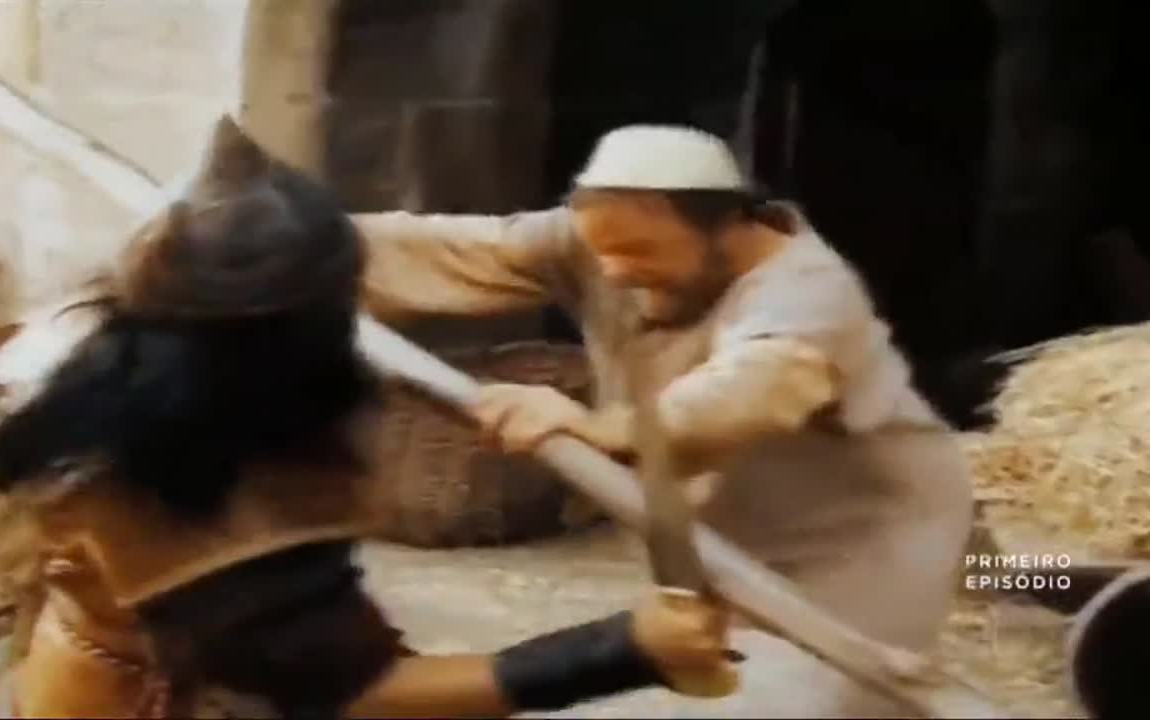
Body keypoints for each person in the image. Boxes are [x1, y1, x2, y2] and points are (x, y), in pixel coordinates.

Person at [0, 115, 737, 719]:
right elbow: (359, 693)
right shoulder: (198, 497)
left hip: (113, 661)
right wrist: (625, 648)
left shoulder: (107, 342)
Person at [354, 124, 975, 716]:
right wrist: (313, 244)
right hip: (731, 539)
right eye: (603, 250)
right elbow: (444, 250)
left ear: (728, 228)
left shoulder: (806, 292)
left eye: (639, 252)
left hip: (863, 542)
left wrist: (600, 428)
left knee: (832, 695)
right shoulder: (604, 242)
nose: (613, 271)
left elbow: (753, 390)